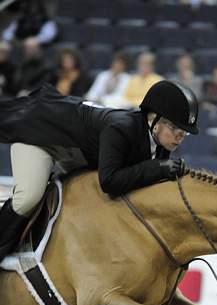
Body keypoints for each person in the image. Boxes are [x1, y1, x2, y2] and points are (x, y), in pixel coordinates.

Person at [0, 80, 199, 261]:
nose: (180, 136)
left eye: (185, 133)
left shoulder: (161, 144)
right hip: (40, 133)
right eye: (176, 129)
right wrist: (158, 169)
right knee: (29, 197)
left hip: (75, 149)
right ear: (155, 121)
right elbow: (109, 182)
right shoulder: (122, 128)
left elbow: (144, 183)